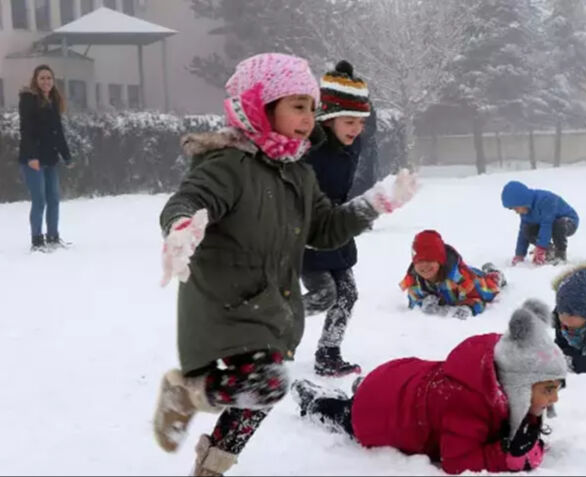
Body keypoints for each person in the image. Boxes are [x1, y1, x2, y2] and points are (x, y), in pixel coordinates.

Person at [151, 53, 417, 476]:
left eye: (312, 107)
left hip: (270, 305)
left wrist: (374, 203)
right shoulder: (229, 164)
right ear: (260, 105)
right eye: (297, 105)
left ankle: (211, 466)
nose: (309, 117)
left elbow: (325, 228)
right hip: (227, 305)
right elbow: (189, 199)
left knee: (262, 395)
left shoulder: (297, 174)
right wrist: (182, 227)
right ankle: (187, 394)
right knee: (269, 384)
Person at [289, 299, 568, 474]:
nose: (554, 397)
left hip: (399, 378)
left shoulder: (501, 362)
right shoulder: (467, 401)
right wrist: (503, 455)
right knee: (347, 415)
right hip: (378, 413)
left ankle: (363, 389)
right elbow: (456, 462)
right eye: (548, 389)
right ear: (518, 385)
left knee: (382, 394)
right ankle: (315, 401)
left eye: (557, 387)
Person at [301, 60, 372, 377]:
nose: (356, 128)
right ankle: (270, 324)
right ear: (328, 119)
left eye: (360, 121)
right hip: (308, 233)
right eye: (349, 121)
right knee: (322, 295)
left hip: (338, 227)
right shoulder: (310, 146)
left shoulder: (353, 143)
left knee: (347, 293)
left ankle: (328, 353)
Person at [18, 64, 73, 252]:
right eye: (42, 78)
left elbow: (58, 132)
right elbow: (27, 130)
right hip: (33, 159)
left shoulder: (53, 100)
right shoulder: (28, 100)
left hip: (50, 158)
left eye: (49, 78)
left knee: (54, 199)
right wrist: (32, 156)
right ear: (35, 80)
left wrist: (66, 155)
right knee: (39, 200)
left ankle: (53, 236)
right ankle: (37, 240)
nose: (46, 81)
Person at [399, 230, 506, 319]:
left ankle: (494, 273)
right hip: (457, 284)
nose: (424, 266)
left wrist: (468, 307)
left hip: (476, 282)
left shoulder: (461, 278)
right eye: (419, 262)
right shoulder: (414, 279)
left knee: (490, 284)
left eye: (430, 260)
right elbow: (413, 300)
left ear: (439, 261)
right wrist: (422, 304)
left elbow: (478, 299)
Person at [500, 180, 579, 265]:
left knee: (557, 225)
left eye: (516, 208)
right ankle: (549, 250)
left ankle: (560, 255)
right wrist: (520, 254)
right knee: (527, 229)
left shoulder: (545, 200)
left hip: (568, 222)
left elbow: (546, 225)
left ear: (522, 201)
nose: (516, 212)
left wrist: (540, 248)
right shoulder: (525, 210)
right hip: (547, 224)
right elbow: (523, 232)